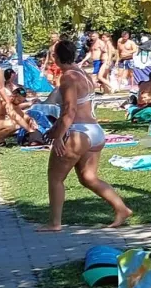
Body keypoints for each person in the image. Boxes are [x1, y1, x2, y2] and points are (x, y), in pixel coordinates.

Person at [41, 38, 131, 231]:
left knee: (55, 178)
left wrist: (58, 136)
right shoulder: (83, 73)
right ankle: (121, 208)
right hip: (95, 131)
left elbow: (70, 111)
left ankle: (55, 223)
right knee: (88, 177)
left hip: (78, 133)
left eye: (52, 55)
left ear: (56, 57)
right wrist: (55, 128)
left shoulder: (68, 78)